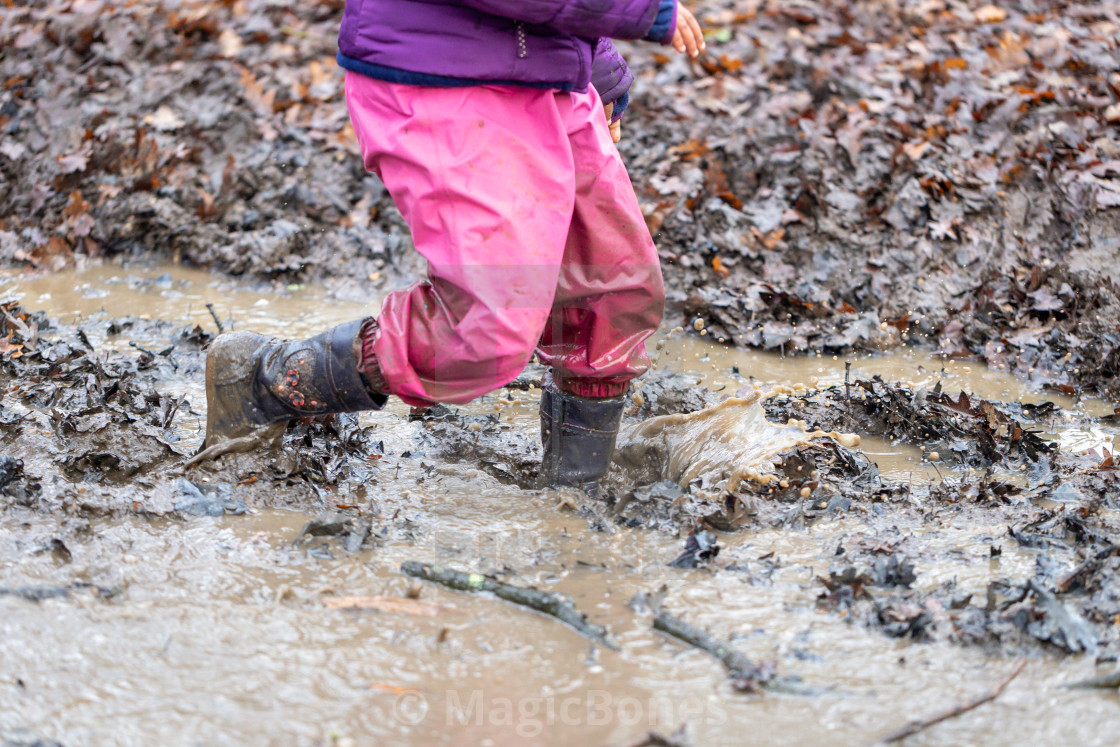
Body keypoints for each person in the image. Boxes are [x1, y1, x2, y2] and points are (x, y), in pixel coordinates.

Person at [199, 0, 705, 493]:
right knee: (488, 324)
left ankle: (573, 500)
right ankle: (263, 379)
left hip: (546, 70)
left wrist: (595, 61)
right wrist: (639, 11)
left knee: (612, 287)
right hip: (439, 78)